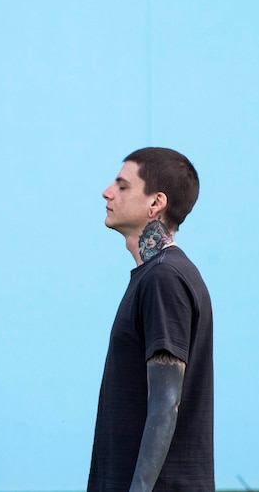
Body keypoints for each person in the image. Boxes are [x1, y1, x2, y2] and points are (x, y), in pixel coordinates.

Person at [87, 147, 214, 492]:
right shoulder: (156, 275)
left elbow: (166, 404)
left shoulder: (164, 278)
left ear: (155, 203)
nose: (107, 192)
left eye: (123, 186)